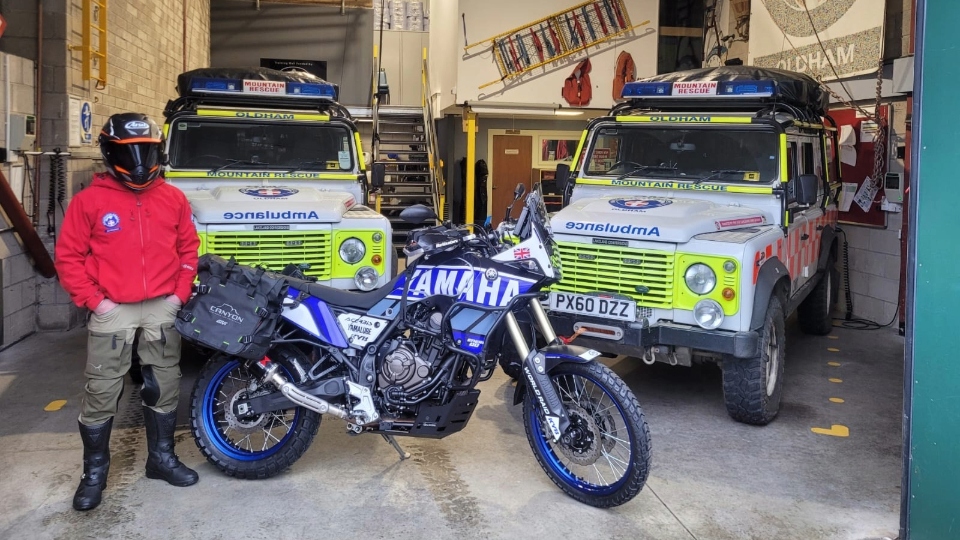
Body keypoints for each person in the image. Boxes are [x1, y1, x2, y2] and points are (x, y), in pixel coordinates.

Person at [55, 112, 201, 511]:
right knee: (102, 391)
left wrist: (178, 294)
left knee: (164, 383)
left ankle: (161, 459)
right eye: (129, 152)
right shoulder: (90, 202)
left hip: (162, 306)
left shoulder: (172, 198)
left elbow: (189, 249)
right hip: (112, 307)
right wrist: (95, 301)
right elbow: (68, 258)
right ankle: (95, 473)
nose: (139, 161)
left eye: (147, 151)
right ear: (109, 151)